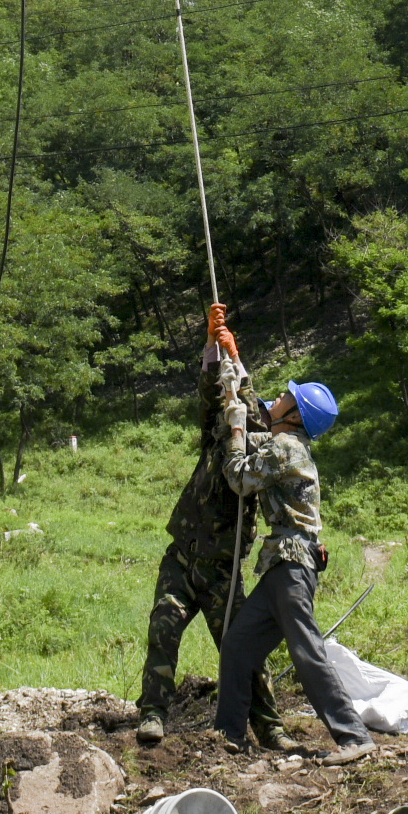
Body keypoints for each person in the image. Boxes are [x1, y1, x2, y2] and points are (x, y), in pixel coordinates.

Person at [213, 333, 374, 760]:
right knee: (238, 645)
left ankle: (353, 737)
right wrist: (232, 354)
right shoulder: (288, 441)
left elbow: (240, 478)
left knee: (306, 652)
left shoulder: (285, 446)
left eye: (288, 396)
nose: (280, 396)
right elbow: (257, 406)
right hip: (282, 567)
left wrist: (233, 427)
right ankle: (227, 733)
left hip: (291, 566)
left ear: (297, 416)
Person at [135, 306, 283, 746]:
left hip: (222, 567)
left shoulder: (261, 448)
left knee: (241, 648)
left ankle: (269, 727)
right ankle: (152, 714)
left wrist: (240, 365)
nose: (231, 416)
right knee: (163, 629)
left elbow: (251, 416)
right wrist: (213, 349)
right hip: (184, 554)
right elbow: (211, 395)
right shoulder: (216, 433)